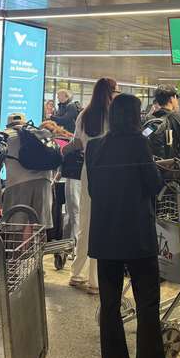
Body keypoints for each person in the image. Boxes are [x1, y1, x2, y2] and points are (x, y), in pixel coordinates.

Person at [87, 93, 167, 358]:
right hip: (137, 237)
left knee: (109, 305)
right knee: (147, 303)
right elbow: (153, 185)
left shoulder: (94, 146)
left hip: (105, 236)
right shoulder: (139, 143)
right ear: (135, 116)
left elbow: (93, 190)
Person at [61, 77, 119, 295]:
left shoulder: (84, 113)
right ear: (111, 92)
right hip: (110, 172)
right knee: (103, 224)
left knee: (86, 221)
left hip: (89, 170)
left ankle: (77, 273)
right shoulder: (113, 115)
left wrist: (63, 150)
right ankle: (95, 280)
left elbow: (77, 142)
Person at [2, 114, 54, 229]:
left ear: (8, 125)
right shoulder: (38, 133)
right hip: (44, 182)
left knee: (16, 228)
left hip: (17, 184)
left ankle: (20, 247)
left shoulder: (5, 137)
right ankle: (38, 247)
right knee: (39, 228)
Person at [147, 85, 180, 201]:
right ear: (172, 99)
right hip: (174, 177)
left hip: (152, 175)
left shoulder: (149, 120)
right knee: (175, 211)